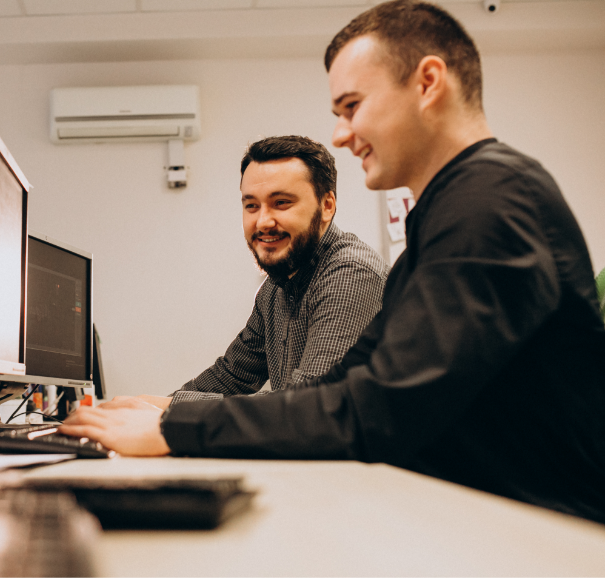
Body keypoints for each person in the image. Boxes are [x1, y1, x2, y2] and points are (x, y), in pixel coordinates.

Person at [60, 0, 605, 524]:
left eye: (352, 107)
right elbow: (341, 390)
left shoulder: (490, 201)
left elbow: (376, 411)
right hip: (483, 515)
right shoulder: (450, 212)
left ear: (428, 83)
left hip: (538, 532)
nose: (342, 135)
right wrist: (168, 414)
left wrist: (174, 426)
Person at [112, 136, 387, 412]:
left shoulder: (351, 274)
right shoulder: (277, 285)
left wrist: (169, 411)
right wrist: (152, 408)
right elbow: (231, 376)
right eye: (251, 205)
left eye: (281, 203)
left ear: (327, 206)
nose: (263, 222)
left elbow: (309, 404)